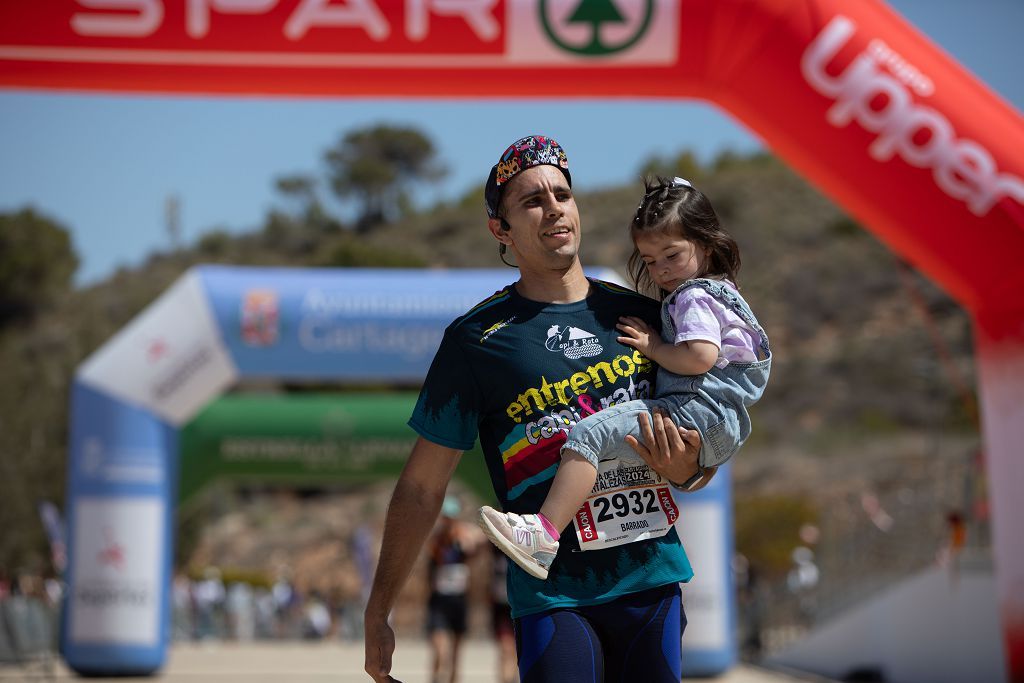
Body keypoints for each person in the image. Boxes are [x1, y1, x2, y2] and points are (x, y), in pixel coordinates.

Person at [364, 134, 712, 683]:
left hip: (651, 579)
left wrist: (689, 469)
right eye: (532, 200)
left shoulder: (646, 316)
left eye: (562, 194)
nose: (553, 207)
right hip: (553, 594)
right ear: (499, 230)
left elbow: (704, 441)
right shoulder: (475, 340)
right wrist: (378, 607)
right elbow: (422, 487)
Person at [479, 175, 771, 579]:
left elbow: (701, 356)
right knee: (612, 440)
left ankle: (543, 533)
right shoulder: (722, 290)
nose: (662, 271)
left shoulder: (692, 297)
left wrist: (654, 348)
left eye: (671, 256)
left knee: (588, 435)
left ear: (705, 245)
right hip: (720, 424)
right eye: (650, 261)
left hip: (694, 412)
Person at [424, 496, 478, 683]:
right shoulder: (436, 542)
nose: (447, 522)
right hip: (439, 600)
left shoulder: (462, 540)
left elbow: (477, 549)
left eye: (451, 518)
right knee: (440, 650)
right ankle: (436, 678)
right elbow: (429, 570)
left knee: (456, 651)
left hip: (459, 599)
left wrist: (465, 538)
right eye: (445, 518)